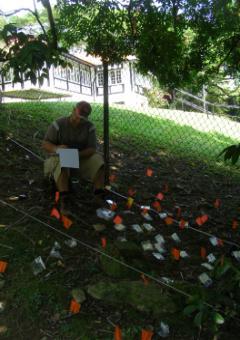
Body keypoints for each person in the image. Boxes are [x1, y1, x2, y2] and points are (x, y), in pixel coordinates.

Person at [42, 101, 105, 215]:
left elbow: (91, 149)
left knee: (98, 160)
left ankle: (98, 196)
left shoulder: (89, 127)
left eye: (83, 118)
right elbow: (45, 144)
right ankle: (64, 199)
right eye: (78, 116)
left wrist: (76, 154)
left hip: (79, 157)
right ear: (73, 110)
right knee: (63, 161)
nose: (79, 120)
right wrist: (58, 149)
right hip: (58, 158)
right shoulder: (58, 124)